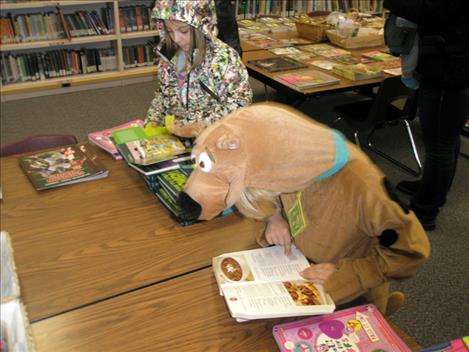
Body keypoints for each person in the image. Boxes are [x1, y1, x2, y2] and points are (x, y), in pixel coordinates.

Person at [179, 103, 430, 316]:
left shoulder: (363, 186)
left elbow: (411, 250)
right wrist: (273, 218)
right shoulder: (289, 161)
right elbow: (267, 189)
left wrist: (348, 273)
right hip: (299, 262)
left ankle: (382, 309)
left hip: (346, 285)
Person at [384, 0, 469, 231]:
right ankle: (430, 191)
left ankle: (425, 210)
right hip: (448, 61)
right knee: (446, 137)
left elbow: (431, 11)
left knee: (440, 143)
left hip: (448, 67)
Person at [145, 0, 252, 138]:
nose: (176, 38)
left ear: (202, 26)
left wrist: (196, 125)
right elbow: (162, 95)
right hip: (176, 139)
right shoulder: (169, 55)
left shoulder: (223, 59)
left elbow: (240, 105)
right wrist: (153, 120)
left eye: (183, 31)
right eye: (170, 31)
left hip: (214, 140)